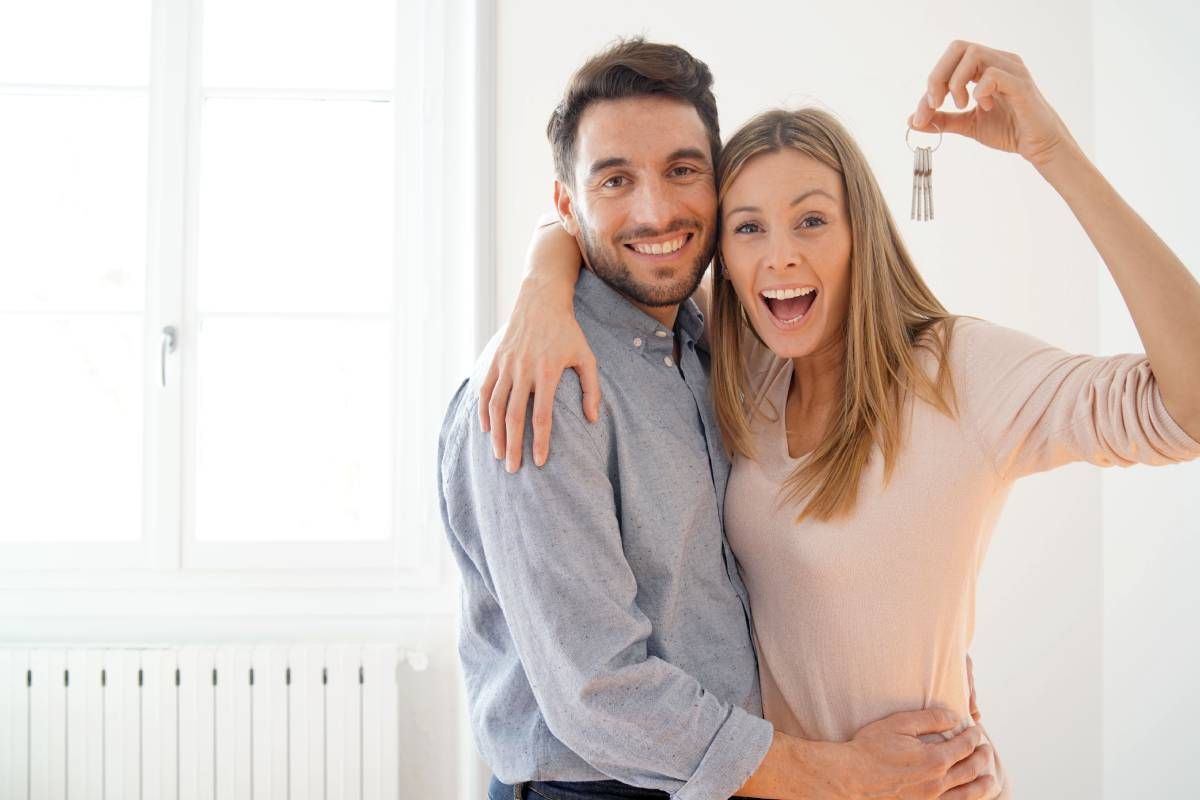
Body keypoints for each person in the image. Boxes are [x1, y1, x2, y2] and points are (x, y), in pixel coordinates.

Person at [484, 39, 1200, 798]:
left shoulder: (958, 371)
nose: (780, 256)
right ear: (723, 251)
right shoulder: (742, 367)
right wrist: (542, 280)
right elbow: (630, 225)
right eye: (750, 228)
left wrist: (1054, 152)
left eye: (813, 221)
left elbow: (1184, 411)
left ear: (862, 231)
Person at [440, 38, 1002, 800]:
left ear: (718, 186)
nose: (657, 209)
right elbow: (599, 692)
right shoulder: (539, 387)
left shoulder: (713, 342)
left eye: (681, 170)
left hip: (734, 776)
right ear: (568, 206)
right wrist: (851, 776)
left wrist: (917, 674)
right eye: (615, 179)